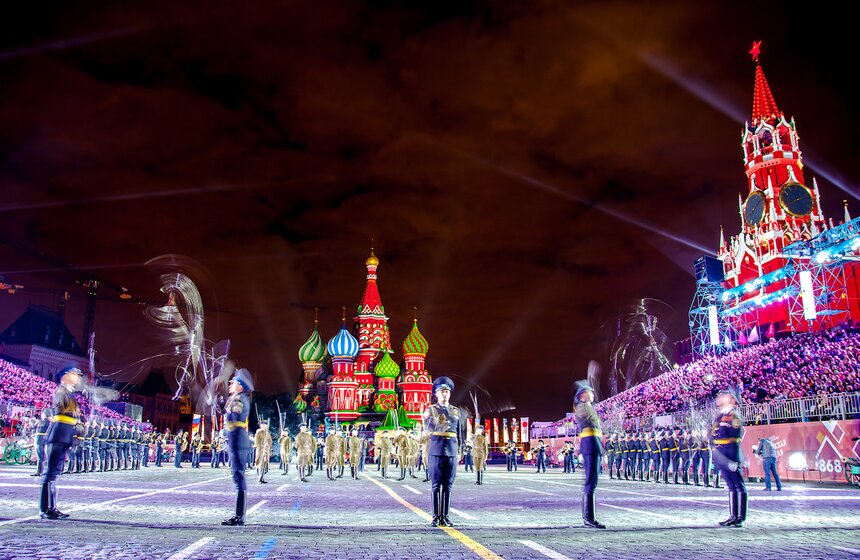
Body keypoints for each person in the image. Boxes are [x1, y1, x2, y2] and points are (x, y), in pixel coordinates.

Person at [39, 366, 83, 520]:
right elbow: (61, 408)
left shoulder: (70, 393)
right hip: (58, 434)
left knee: (55, 472)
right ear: (64, 377)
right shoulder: (61, 391)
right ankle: (45, 508)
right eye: (74, 374)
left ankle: (52, 507)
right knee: (50, 472)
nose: (77, 378)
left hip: (64, 435)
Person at [423, 376, 462, 527]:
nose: (444, 394)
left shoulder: (456, 411)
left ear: (450, 394)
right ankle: (435, 517)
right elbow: (428, 430)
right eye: (441, 391)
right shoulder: (431, 410)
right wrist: (434, 424)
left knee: (448, 486)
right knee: (435, 485)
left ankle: (445, 516)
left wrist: (461, 451)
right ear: (436, 394)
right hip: (436, 450)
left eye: (447, 391)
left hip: (451, 451)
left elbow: (459, 433)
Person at [711, 388, 747, 527]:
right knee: (731, 486)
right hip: (721, 456)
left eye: (723, 396)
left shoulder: (733, 416)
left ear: (732, 400)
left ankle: (741, 517)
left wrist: (733, 459)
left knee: (739, 486)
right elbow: (713, 434)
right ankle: (733, 515)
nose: (720, 399)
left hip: (730, 456)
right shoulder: (719, 417)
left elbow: (735, 438)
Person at [222, 367, 254, 526]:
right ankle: (239, 515)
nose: (230, 383)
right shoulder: (240, 398)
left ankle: (239, 516)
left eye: (233, 382)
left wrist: (227, 423)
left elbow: (234, 418)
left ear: (240, 386)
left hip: (237, 437)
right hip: (239, 437)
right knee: (238, 475)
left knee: (238, 475)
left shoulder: (238, 399)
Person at [574, 379, 606, 529]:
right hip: (590, 445)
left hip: (594, 445)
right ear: (583, 395)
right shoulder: (582, 407)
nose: (592, 395)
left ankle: (589, 517)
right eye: (590, 392)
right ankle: (589, 518)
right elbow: (585, 417)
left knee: (592, 481)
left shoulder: (587, 407)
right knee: (590, 482)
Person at [32, 409, 51, 477]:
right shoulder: (46, 422)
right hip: (40, 439)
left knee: (40, 456)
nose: (41, 415)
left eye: (43, 414)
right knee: (40, 456)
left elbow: (34, 427)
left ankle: (39, 471)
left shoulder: (45, 422)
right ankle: (40, 471)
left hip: (40, 440)